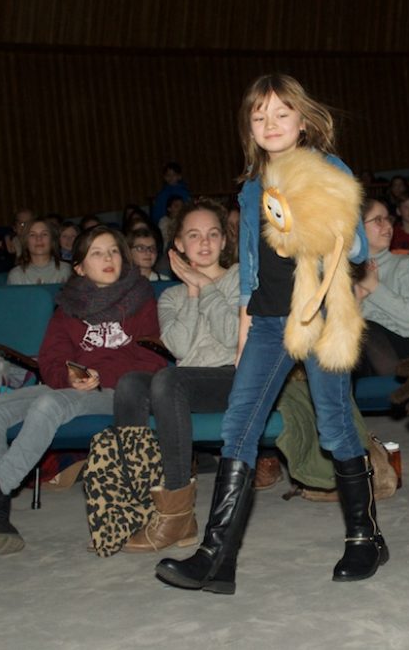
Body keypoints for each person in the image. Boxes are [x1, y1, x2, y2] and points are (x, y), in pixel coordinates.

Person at [154, 73, 380, 595]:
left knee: (334, 427)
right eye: (259, 117)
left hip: (318, 317)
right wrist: (243, 333)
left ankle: (364, 537)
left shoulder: (328, 169)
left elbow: (358, 252)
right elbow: (251, 277)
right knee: (239, 428)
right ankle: (217, 556)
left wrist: (310, 219)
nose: (269, 125)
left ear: (302, 121)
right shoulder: (252, 187)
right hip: (267, 324)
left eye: (281, 114)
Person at [0, 226, 167, 554]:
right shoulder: (67, 307)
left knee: (48, 405)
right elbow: (52, 360)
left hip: (122, 391)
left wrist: (100, 374)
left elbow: (151, 358)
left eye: (113, 251)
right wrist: (70, 377)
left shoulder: (140, 299)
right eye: (97, 253)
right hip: (75, 388)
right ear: (80, 267)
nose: (108, 258)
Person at [114, 198, 239, 553]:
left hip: (231, 377)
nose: (205, 243)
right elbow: (181, 348)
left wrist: (208, 285)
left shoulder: (240, 279)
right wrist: (194, 290)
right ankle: (137, 503)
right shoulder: (169, 297)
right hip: (189, 378)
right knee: (130, 384)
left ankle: (178, 510)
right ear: (179, 244)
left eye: (213, 234)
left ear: (223, 241)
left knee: (169, 380)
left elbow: (232, 336)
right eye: (194, 235)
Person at [354, 198, 409, 377]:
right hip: (362, 356)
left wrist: (373, 285)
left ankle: (400, 386)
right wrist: (357, 299)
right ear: (357, 229)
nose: (388, 226)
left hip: (406, 347)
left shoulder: (405, 264)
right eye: (378, 220)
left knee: (364, 328)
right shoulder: (344, 271)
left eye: (388, 219)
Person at [6, 219, 72, 285]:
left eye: (44, 234)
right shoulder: (16, 275)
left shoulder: (66, 271)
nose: (39, 238)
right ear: (26, 241)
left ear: (52, 240)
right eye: (32, 235)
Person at [152, 162, 191, 226]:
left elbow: (188, 208)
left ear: (179, 176)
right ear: (164, 177)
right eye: (168, 175)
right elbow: (157, 213)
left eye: (174, 175)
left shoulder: (184, 192)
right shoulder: (162, 194)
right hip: (166, 222)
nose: (171, 177)